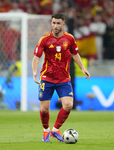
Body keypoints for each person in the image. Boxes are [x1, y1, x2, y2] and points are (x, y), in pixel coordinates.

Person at [32, 13, 90, 142]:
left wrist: (82, 68)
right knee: (44, 109)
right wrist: (35, 72)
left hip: (63, 78)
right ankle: (46, 130)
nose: (55, 25)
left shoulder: (69, 38)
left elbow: (75, 54)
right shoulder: (44, 39)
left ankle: (55, 129)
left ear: (63, 24)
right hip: (47, 78)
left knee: (68, 105)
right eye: (53, 23)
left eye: (58, 23)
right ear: (51, 23)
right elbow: (36, 57)